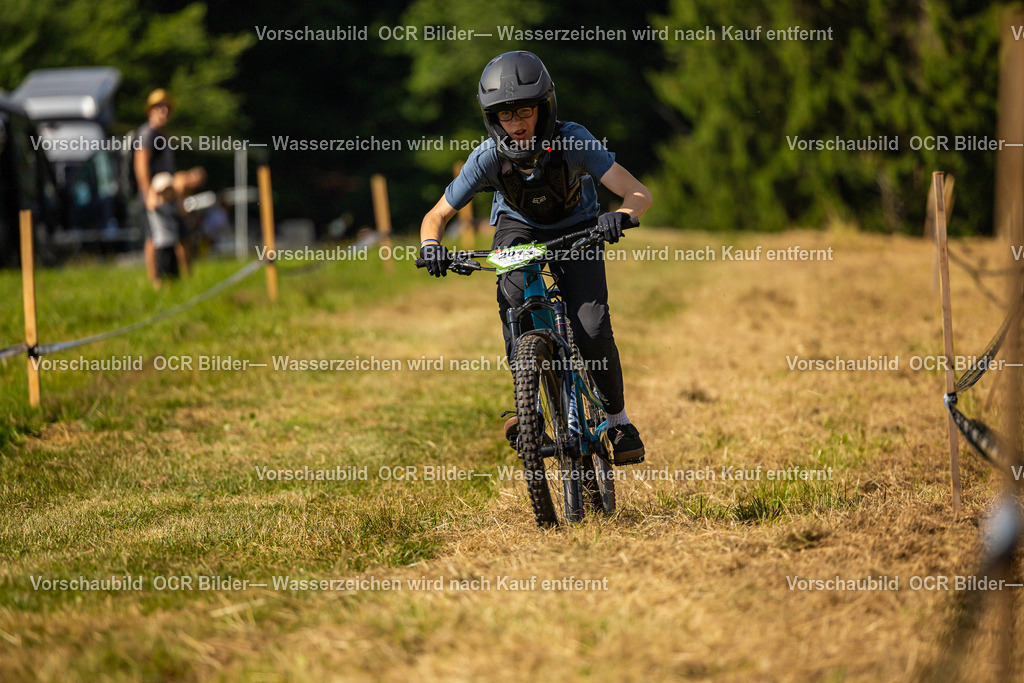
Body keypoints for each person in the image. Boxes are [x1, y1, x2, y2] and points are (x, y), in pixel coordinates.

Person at [418, 51, 652, 465]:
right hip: (519, 229)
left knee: (592, 327)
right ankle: (528, 406)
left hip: (579, 229)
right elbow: (436, 216)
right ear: (493, 119)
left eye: (524, 110)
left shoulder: (574, 141)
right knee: (513, 297)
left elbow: (637, 192)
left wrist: (620, 215)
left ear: (544, 107)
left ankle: (618, 421)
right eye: (505, 115)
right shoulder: (487, 159)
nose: (516, 123)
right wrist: (431, 245)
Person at [134, 89, 177, 288]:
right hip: (152, 194)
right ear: (150, 110)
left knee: (163, 236)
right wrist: (148, 193)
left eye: (167, 107)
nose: (164, 111)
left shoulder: (162, 135)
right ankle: (155, 281)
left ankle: (167, 278)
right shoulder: (147, 133)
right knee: (152, 236)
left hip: (164, 195)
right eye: (159, 107)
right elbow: (141, 164)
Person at [146, 172, 189, 287]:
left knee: (173, 273)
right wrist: (153, 191)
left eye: (169, 190)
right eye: (164, 191)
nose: (167, 194)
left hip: (172, 243)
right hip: (161, 244)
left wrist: (178, 193)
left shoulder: (172, 206)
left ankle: (172, 289)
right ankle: (158, 288)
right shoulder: (157, 206)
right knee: (161, 272)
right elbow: (150, 203)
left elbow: (183, 211)